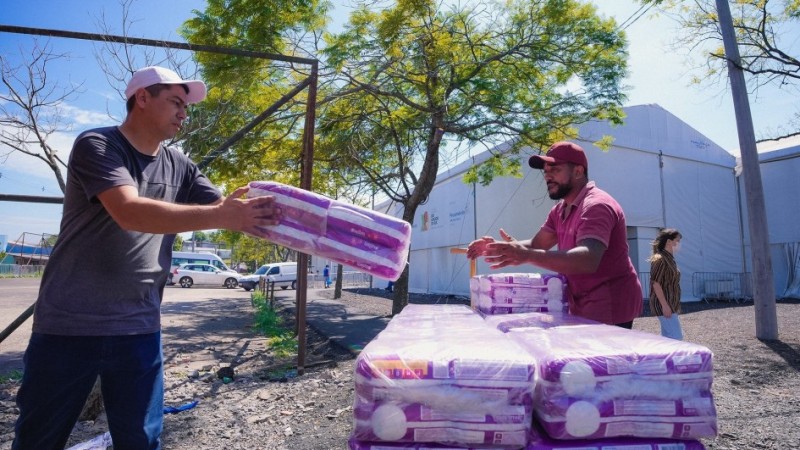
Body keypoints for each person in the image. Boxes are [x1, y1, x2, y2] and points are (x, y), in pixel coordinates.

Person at [13, 66, 281, 450]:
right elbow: (129, 212)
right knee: (39, 438)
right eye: (175, 102)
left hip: (138, 327)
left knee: (141, 439)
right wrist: (223, 214)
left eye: (186, 107)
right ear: (142, 98)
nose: (184, 114)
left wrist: (295, 220)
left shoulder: (181, 165)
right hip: (68, 325)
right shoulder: (98, 145)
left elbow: (225, 208)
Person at [467, 141, 642, 328]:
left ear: (578, 171)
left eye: (555, 169)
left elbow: (588, 259)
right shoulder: (560, 210)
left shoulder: (597, 205)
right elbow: (536, 245)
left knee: (599, 357)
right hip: (580, 303)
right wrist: (500, 248)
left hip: (609, 304)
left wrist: (525, 255)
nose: (547, 176)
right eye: (545, 171)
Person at [649, 228, 684, 340]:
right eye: (677, 240)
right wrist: (664, 305)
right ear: (669, 241)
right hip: (664, 304)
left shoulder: (669, 259)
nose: (679, 244)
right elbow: (656, 283)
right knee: (676, 337)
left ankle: (664, 358)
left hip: (670, 303)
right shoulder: (660, 259)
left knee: (668, 339)